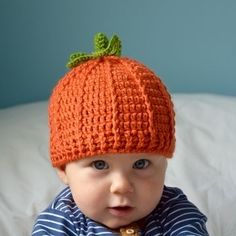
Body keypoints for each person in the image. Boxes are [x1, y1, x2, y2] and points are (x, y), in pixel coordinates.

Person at [32, 33, 209, 236]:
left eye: (141, 163)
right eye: (100, 164)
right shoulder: (59, 224)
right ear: (63, 170)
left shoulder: (175, 214)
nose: (122, 186)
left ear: (165, 163)